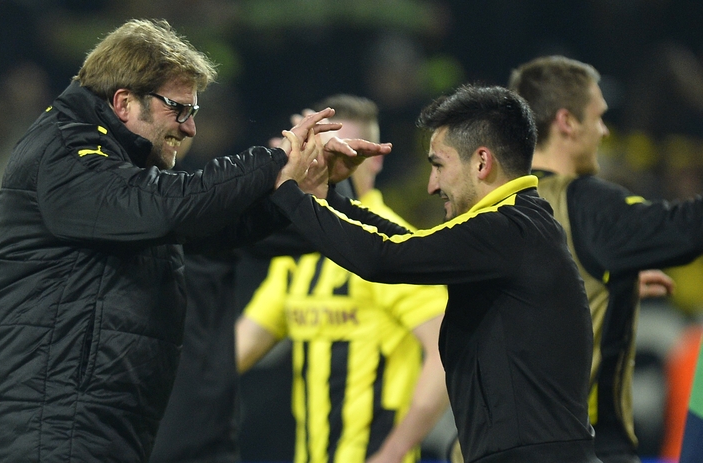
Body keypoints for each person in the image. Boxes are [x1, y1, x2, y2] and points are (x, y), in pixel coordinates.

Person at [0, 18, 391, 463]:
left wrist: (304, 186)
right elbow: (171, 205)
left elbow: (215, 225)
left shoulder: (124, 176)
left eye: (194, 112)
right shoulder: (67, 153)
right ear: (124, 102)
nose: (190, 128)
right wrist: (277, 158)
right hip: (44, 428)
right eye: (178, 109)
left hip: (88, 424)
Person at [270, 84, 601, 463]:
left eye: (439, 165)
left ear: (481, 162)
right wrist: (328, 197)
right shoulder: (514, 228)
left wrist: (288, 192)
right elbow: (412, 247)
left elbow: (384, 259)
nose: (431, 185)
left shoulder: (506, 231)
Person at [506, 55, 703, 463]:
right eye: (597, 118)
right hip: (585, 446)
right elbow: (684, 227)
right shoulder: (588, 204)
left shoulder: (489, 207)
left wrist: (605, 283)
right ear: (566, 123)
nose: (604, 131)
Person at [235, 94, 450, 463]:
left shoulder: (395, 247)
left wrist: (392, 453)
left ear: (374, 157)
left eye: (344, 148)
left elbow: (445, 354)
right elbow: (241, 347)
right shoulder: (299, 250)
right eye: (322, 147)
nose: (329, 158)